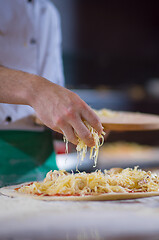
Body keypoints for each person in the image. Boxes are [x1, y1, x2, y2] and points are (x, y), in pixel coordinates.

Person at [0, 0, 103, 186]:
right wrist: (35, 90)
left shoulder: (48, 12)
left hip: (41, 164)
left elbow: (47, 108)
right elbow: (42, 94)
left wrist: (75, 128)